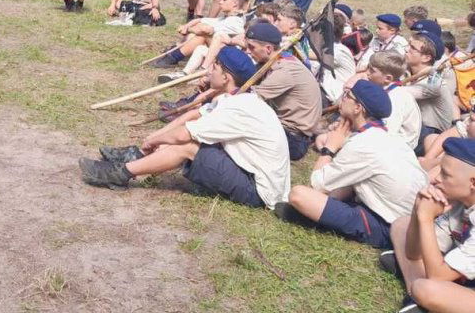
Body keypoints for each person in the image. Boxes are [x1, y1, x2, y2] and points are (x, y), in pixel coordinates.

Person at [80, 46, 291, 209]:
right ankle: (135, 156)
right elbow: (194, 116)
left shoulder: (238, 107)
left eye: (214, 66)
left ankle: (120, 174)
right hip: (250, 174)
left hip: (259, 191)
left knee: (187, 145)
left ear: (226, 78)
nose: (209, 70)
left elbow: (183, 135)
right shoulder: (236, 99)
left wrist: (154, 141)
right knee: (183, 140)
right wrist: (152, 139)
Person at [277, 80, 428, 249]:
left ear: (358, 108)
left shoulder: (363, 144)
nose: (343, 97)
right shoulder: (389, 137)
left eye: (348, 95)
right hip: (408, 219)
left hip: (390, 225)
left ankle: (315, 217)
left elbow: (316, 185)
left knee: (299, 195)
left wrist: (329, 149)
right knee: (337, 189)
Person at [386, 138, 475, 313]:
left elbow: (437, 277)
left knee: (427, 289)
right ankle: (421, 302)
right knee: (401, 226)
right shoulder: (460, 203)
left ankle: (421, 299)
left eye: (445, 175)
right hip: (458, 279)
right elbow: (413, 253)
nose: (435, 179)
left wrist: (426, 218)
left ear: (473, 183)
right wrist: (417, 211)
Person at [244, 22, 322, 160]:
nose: (248, 51)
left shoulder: (286, 70)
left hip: (293, 139)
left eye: (251, 47)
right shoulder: (274, 62)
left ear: (268, 49)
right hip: (283, 129)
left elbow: (249, 98)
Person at [152, 0, 245, 72]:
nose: (220, 2)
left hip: (229, 57)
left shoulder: (235, 21)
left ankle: (174, 57)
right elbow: (199, 20)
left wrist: (188, 29)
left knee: (202, 35)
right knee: (199, 29)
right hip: (220, 51)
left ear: (234, 4)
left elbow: (207, 30)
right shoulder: (226, 18)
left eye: (224, 0)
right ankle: (176, 53)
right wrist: (186, 26)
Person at [405, 30, 460, 156]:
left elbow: (398, 92)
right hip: (414, 128)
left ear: (426, 57)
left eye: (412, 48)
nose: (406, 50)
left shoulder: (434, 83)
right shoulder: (407, 72)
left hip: (431, 135)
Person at [366, 51, 422, 152]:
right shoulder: (384, 91)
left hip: (398, 149)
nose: (367, 73)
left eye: (372, 70)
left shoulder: (396, 98)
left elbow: (387, 133)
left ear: (387, 78)